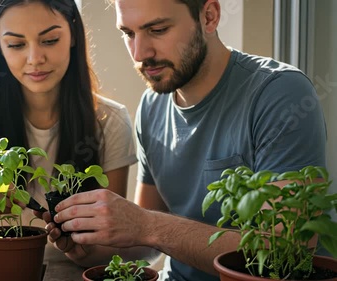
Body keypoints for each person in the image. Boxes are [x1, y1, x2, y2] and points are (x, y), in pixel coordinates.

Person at [40, 0, 327, 280]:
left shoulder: (280, 94)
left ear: (209, 17)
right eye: (128, 33)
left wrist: (146, 224)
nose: (140, 52)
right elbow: (146, 243)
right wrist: (88, 249)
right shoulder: (152, 106)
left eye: (158, 29)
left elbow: (285, 251)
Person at [0, 0, 137, 254]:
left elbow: (110, 248)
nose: (35, 59)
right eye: (16, 44)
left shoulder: (111, 121)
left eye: (50, 40)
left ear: (74, 34)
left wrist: (80, 250)